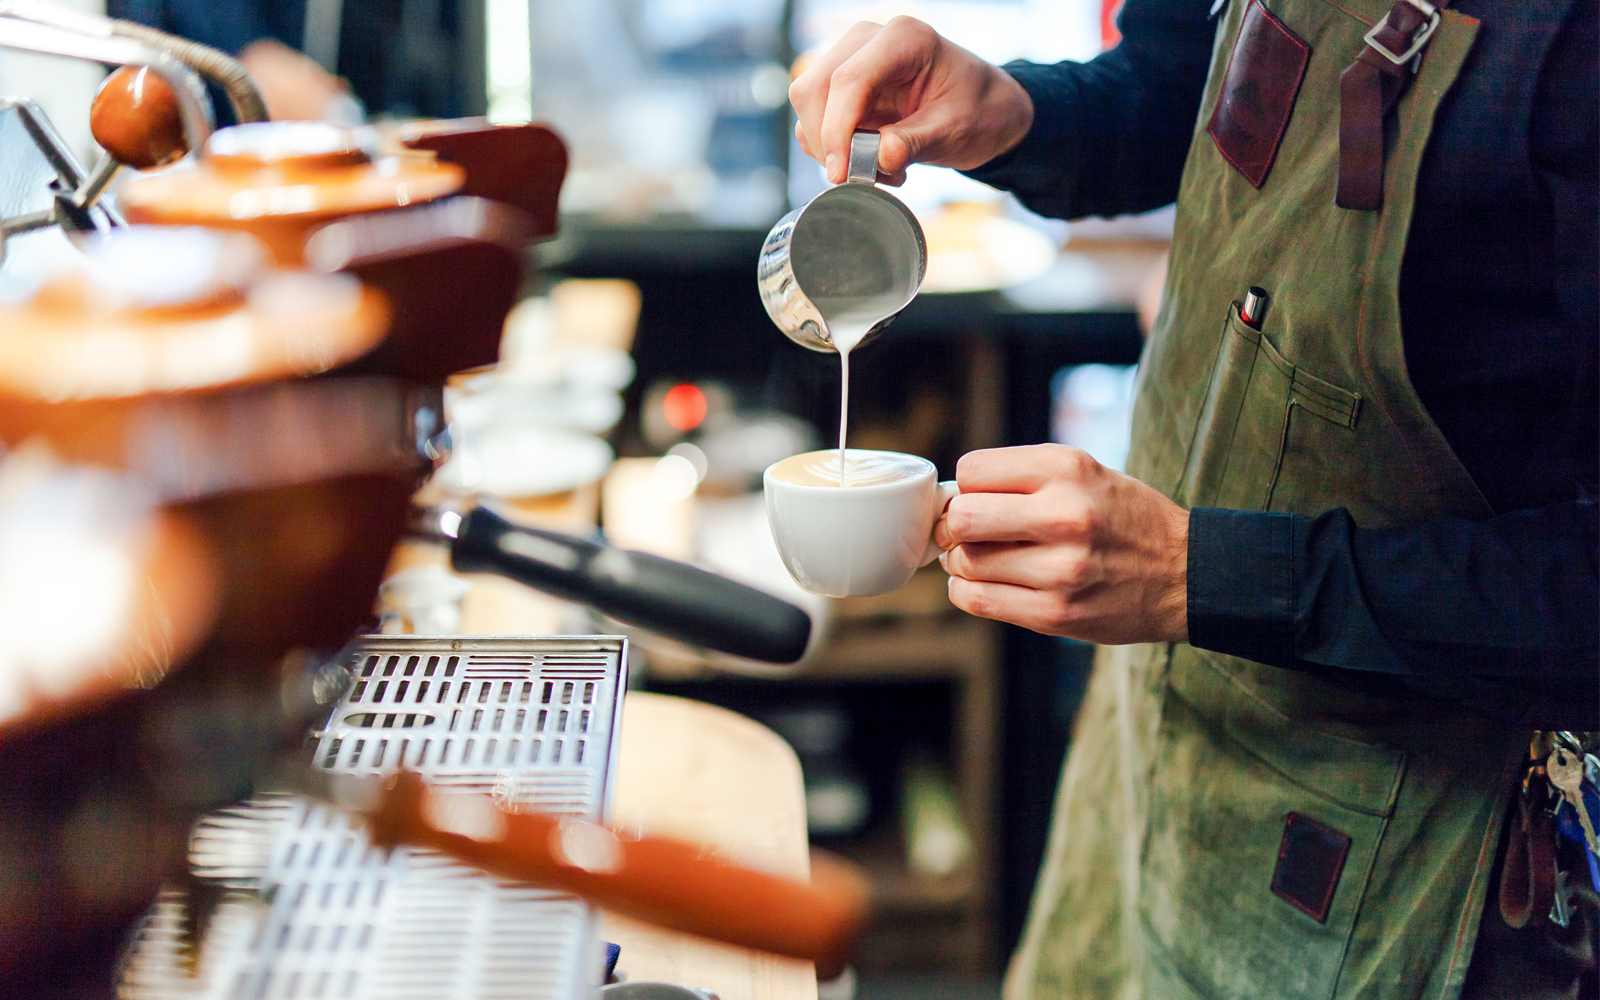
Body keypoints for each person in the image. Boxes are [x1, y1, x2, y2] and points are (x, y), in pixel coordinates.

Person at [789, 1, 1597, 997]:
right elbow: (1185, 88)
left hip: (1415, 844)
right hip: (1161, 723)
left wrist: (1201, 571)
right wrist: (1015, 110)